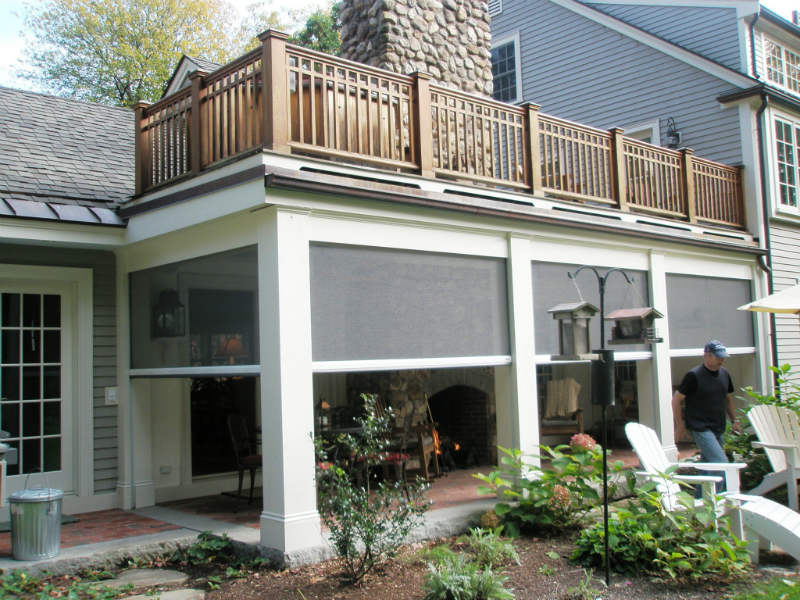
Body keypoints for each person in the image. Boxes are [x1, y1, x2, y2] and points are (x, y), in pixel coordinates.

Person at [672, 339, 742, 493]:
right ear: (707, 356)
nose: (721, 360)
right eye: (718, 357)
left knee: (708, 466)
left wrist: (734, 421)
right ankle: (718, 501)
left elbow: (728, 398)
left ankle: (699, 503)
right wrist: (680, 425)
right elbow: (676, 400)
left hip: (718, 426)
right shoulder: (694, 375)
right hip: (700, 427)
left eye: (723, 357)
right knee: (721, 463)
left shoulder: (724, 374)